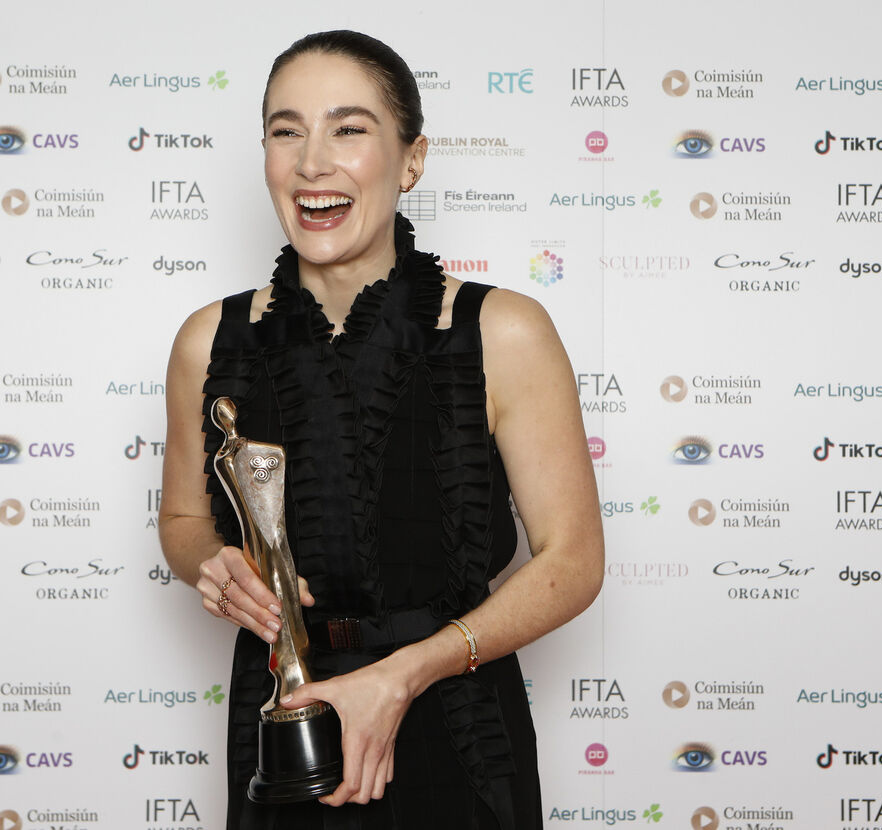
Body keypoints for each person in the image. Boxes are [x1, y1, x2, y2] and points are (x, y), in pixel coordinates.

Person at [159, 30, 603, 830]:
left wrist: (404, 675)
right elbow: (185, 520)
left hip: (454, 719)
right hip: (281, 718)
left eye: (349, 128)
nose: (311, 162)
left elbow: (573, 562)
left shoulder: (503, 331)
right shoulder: (208, 339)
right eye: (285, 130)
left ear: (412, 160)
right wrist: (216, 566)